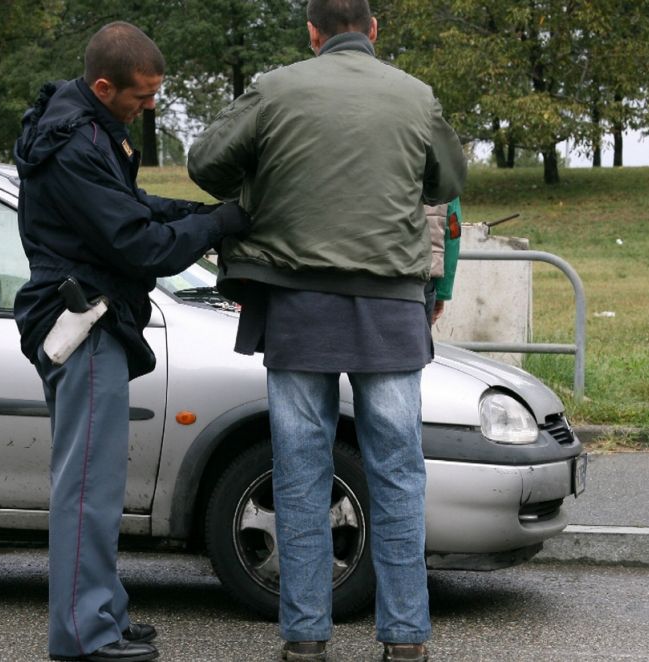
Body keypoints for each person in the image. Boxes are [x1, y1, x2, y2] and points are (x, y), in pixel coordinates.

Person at [187, 1, 467, 659]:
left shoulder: (275, 89)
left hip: (298, 304)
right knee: (397, 472)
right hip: (392, 310)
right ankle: (404, 639)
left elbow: (206, 164)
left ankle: (305, 639)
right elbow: (448, 179)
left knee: (299, 472)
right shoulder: (415, 96)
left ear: (312, 33)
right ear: (373, 30)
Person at [13, 21, 251, 662]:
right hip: (84, 323)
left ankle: (104, 610)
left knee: (99, 485)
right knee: (87, 489)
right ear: (102, 86)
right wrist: (218, 224)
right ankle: (83, 634)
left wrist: (202, 214)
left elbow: (133, 205)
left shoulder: (86, 128)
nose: (150, 106)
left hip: (93, 319)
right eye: (142, 96)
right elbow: (138, 244)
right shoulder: (74, 147)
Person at [424, 197, 462, 326]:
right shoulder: (445, 179)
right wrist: (442, 292)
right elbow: (452, 234)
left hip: (369, 277)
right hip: (422, 277)